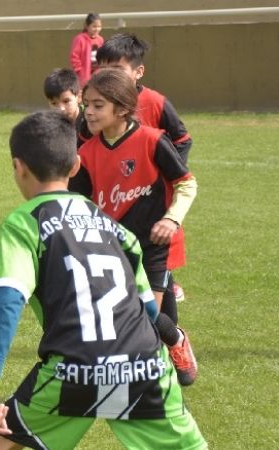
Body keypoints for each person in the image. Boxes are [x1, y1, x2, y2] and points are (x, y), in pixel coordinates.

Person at [0, 110, 207, 450]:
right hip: (143, 366)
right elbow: (148, 309)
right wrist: (172, 336)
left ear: (18, 166)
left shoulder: (23, 224)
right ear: (75, 166)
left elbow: (8, 299)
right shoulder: (114, 227)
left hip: (73, 370)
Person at [69, 68, 199, 386]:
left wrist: (171, 218)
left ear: (123, 109)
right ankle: (164, 348)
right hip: (111, 246)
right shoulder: (85, 154)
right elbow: (79, 203)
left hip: (151, 244)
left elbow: (186, 183)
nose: (89, 111)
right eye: (86, 104)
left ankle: (173, 346)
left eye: (98, 105)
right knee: (122, 315)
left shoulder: (153, 141)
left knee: (146, 315)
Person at [94, 32, 192, 328]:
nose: (109, 77)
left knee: (154, 261)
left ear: (138, 72)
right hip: (112, 203)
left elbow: (182, 140)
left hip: (150, 203)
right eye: (103, 70)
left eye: (117, 70)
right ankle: (170, 334)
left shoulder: (156, 103)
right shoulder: (96, 108)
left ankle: (165, 336)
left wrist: (165, 175)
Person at [43, 68, 86, 148]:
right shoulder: (49, 127)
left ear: (79, 97)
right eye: (54, 103)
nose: (61, 109)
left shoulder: (88, 122)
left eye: (66, 101)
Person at [69, 12, 104, 88]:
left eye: (99, 26)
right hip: (84, 75)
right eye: (94, 26)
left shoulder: (100, 40)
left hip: (97, 74)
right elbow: (74, 56)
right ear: (87, 26)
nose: (97, 29)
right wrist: (79, 71)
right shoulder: (80, 39)